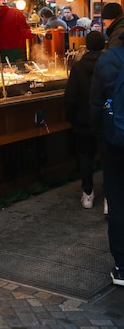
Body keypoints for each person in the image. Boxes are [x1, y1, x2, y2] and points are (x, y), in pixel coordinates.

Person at [90, 30, 124, 286]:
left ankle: (122, 267)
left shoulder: (108, 59)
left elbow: (95, 104)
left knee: (118, 201)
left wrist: (100, 136)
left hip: (115, 142)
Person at [64, 31, 105, 209]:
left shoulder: (78, 67)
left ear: (87, 45)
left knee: (86, 157)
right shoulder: (109, 65)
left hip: (83, 121)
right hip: (105, 119)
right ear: (103, 45)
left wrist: (70, 118)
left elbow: (70, 97)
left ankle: (87, 194)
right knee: (107, 158)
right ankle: (108, 199)